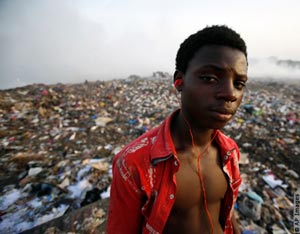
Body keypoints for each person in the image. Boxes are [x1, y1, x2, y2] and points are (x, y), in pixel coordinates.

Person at [107, 25, 248, 234]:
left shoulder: (230, 152)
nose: (230, 94)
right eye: (210, 78)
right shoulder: (133, 164)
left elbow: (227, 215)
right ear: (179, 81)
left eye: (239, 83)